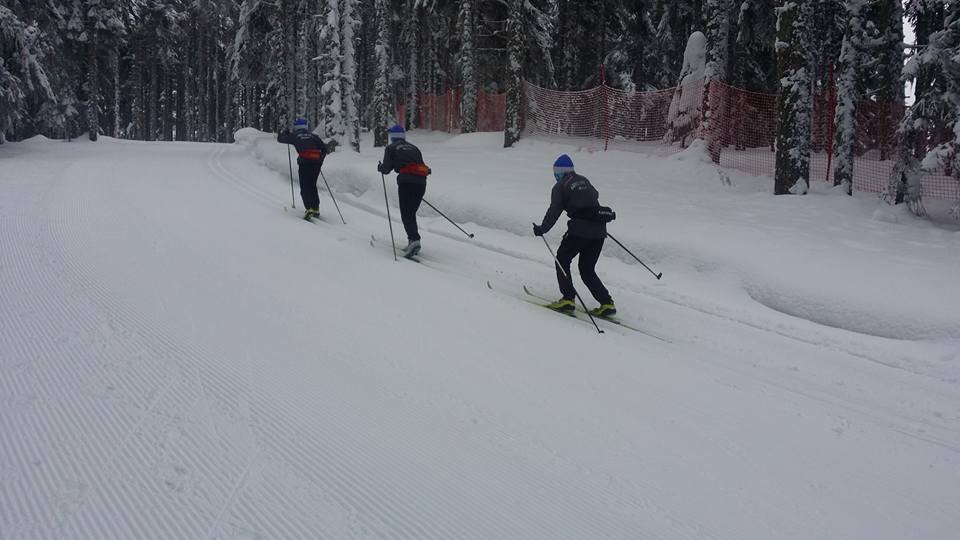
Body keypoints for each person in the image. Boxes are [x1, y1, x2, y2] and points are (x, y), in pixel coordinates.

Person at [532, 154, 616, 317]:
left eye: (555, 172)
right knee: (587, 269)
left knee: (562, 259)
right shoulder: (584, 180)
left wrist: (542, 229)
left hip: (579, 230)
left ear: (559, 172)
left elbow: (554, 210)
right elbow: (594, 198)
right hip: (599, 231)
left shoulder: (560, 186)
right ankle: (607, 303)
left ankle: (568, 299)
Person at [377, 125, 431, 257]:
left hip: (406, 182)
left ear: (393, 137)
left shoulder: (391, 148)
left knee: (406, 214)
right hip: (421, 183)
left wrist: (380, 167)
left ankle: (414, 240)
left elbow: (386, 169)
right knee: (411, 212)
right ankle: (413, 240)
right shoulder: (414, 148)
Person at [278, 118, 329, 220]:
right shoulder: (313, 136)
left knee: (305, 186)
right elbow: (324, 148)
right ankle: (315, 208)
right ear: (306, 126)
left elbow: (280, 139)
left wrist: (284, 132)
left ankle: (309, 208)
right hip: (316, 162)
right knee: (312, 185)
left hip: (305, 162)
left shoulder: (295, 135)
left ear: (296, 127)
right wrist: (320, 159)